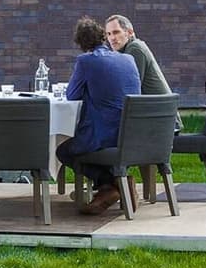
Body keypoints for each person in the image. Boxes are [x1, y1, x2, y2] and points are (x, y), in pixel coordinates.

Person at [54, 17, 142, 213]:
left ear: (81, 43)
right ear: (103, 36)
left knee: (64, 151)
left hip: (104, 135)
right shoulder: (128, 59)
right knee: (78, 147)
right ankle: (114, 186)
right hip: (131, 135)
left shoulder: (85, 61)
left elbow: (72, 94)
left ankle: (109, 185)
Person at [104, 15, 171, 95]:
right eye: (108, 34)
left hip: (157, 105)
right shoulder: (125, 51)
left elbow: (130, 87)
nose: (112, 38)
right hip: (150, 103)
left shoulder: (135, 48)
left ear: (129, 32)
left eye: (116, 32)